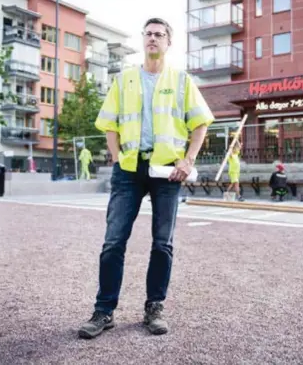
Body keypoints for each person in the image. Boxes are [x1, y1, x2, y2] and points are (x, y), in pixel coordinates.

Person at [78, 17, 214, 339]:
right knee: (113, 241)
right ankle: (104, 311)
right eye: (148, 34)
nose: (153, 38)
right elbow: (109, 123)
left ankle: (154, 307)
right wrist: (115, 155)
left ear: (168, 42)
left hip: (168, 171)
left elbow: (200, 124)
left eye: (159, 34)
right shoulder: (124, 79)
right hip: (128, 170)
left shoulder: (181, 81)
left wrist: (188, 158)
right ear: (143, 40)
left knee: (162, 243)